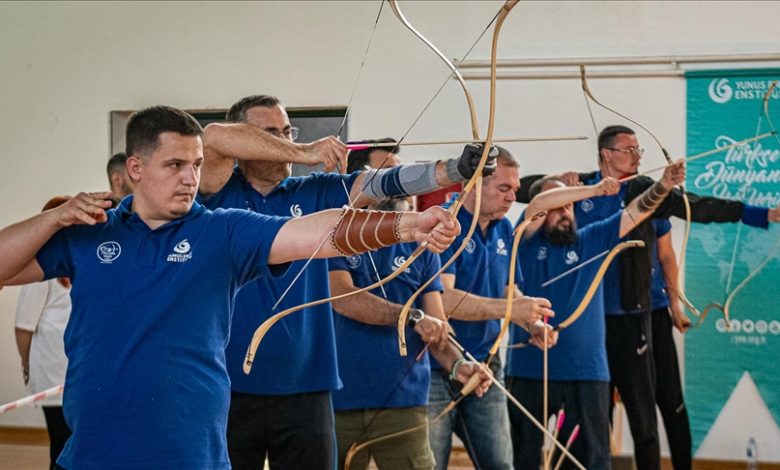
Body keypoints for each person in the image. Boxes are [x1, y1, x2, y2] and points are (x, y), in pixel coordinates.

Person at [0, 105, 459, 470]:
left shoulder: (222, 231)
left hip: (191, 456)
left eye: (196, 164)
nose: (190, 178)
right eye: (175, 164)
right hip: (92, 456)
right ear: (135, 168)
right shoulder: (89, 230)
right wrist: (54, 217)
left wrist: (411, 223)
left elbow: (319, 233)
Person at [198, 94, 496, 470]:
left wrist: (454, 170)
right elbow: (212, 137)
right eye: (272, 133)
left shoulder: (315, 192)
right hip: (229, 386)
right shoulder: (218, 192)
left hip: (307, 386)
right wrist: (304, 150)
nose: (285, 140)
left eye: (289, 130)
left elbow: (383, 183)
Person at [514, 124, 780, 470]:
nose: (639, 156)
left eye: (640, 150)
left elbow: (691, 206)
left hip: (632, 317)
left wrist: (758, 213)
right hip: (579, 329)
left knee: (647, 412)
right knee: (582, 422)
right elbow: (524, 193)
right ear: (606, 154)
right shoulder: (576, 190)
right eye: (630, 150)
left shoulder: (639, 192)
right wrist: (567, 186)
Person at [506, 157, 684, 470]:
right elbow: (538, 203)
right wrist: (590, 191)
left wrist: (664, 184)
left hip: (586, 373)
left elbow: (637, 210)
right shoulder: (525, 240)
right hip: (528, 371)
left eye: (569, 207)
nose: (565, 213)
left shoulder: (592, 239)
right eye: (559, 206)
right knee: (524, 460)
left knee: (589, 461)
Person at [329, 189, 490, 470]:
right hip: (338, 396)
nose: (398, 188)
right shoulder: (340, 238)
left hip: (403, 400)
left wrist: (459, 364)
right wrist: (412, 317)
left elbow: (437, 326)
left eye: (404, 182)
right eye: (387, 181)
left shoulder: (423, 250)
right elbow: (344, 298)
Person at [428, 147, 555, 470]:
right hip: (438, 366)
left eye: (515, 189)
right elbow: (445, 300)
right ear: (474, 185)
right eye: (503, 188)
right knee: (430, 465)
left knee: (500, 465)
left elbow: (508, 289)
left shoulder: (502, 228)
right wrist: (513, 309)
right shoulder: (447, 223)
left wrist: (531, 322)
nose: (513, 197)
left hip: (487, 364)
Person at [14, 196, 73, 470]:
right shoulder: (44, 269)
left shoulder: (77, 263)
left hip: (66, 371)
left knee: (66, 443)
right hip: (57, 372)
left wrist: (26, 364)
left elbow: (23, 327)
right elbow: (25, 326)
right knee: (64, 443)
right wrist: (27, 363)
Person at [650, 221, 692, 470]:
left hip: (654, 313)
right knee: (601, 405)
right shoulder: (590, 190)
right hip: (606, 318)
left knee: (671, 400)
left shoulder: (653, 196)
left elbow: (666, 255)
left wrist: (675, 306)